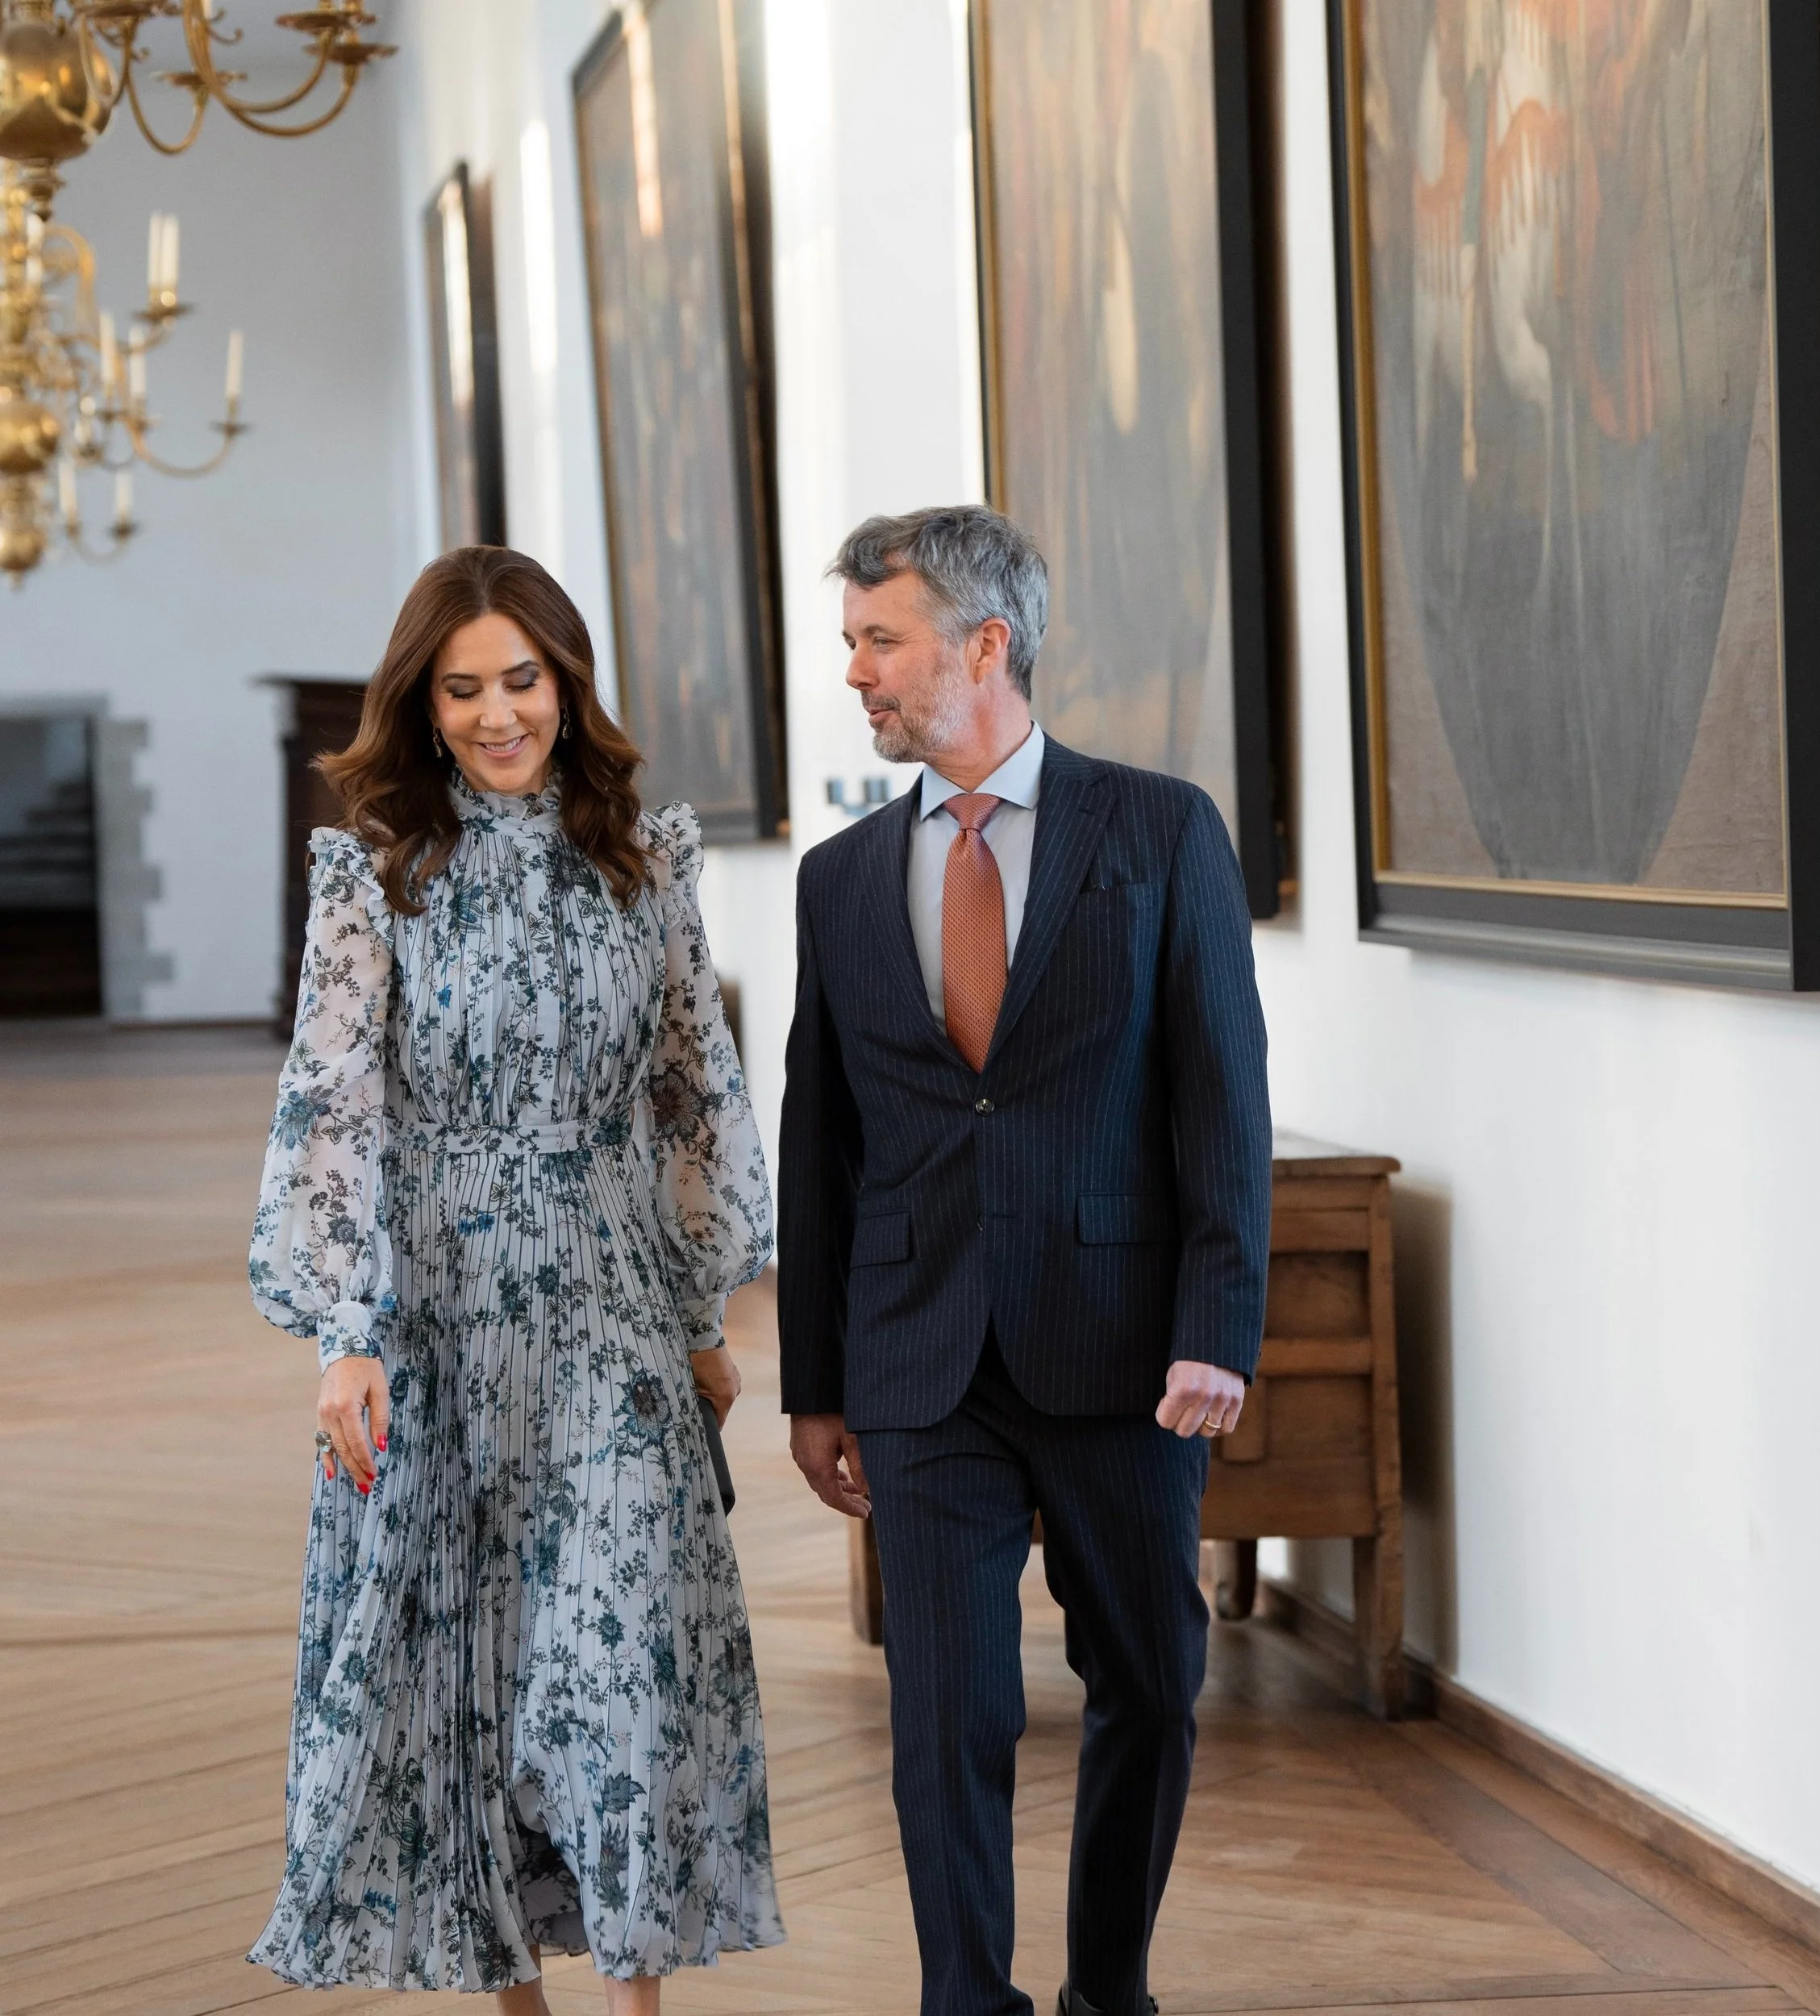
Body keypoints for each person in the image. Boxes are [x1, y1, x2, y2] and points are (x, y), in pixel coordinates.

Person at [247, 547, 782, 2014]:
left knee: (619, 1671)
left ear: (568, 681)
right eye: (463, 688)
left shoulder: (644, 859)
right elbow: (335, 1103)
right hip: (437, 1319)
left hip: (610, 1311)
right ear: (422, 704)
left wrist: (699, 1316)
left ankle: (635, 1996)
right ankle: (517, 1997)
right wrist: (345, 1335)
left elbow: (691, 1092)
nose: (497, 715)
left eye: (522, 681)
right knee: (473, 1671)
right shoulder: (371, 879)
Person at [778, 506, 1271, 2016]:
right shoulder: (844, 876)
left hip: (1126, 1353)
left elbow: (1221, 1098)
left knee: (1149, 1686)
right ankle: (965, 2000)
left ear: (984, 645)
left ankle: (1107, 1988)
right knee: (947, 1711)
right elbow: (824, 1146)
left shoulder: (1162, 830)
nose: (854, 670)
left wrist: (1218, 1327)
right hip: (922, 1362)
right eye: (850, 638)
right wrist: (817, 1383)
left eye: (881, 638)